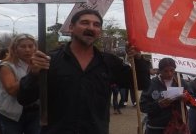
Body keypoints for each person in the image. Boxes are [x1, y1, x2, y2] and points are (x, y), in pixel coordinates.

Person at [17, 9, 145, 134]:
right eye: (85, 23)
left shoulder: (109, 62)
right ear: (71, 27)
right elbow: (24, 98)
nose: (91, 28)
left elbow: (142, 83)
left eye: (96, 25)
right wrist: (34, 74)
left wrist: (138, 59)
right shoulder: (50, 60)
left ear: (99, 32)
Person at [0, 34, 40, 134]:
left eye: (31, 46)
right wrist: (32, 74)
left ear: (35, 48)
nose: (27, 50)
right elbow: (12, 90)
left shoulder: (40, 64)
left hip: (35, 112)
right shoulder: (6, 66)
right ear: (15, 49)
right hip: (10, 113)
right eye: (23, 46)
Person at [140, 57, 189, 134]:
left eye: (172, 70)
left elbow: (192, 102)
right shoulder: (151, 84)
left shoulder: (181, 82)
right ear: (159, 71)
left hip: (177, 127)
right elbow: (143, 107)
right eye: (165, 71)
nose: (169, 74)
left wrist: (187, 99)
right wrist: (158, 104)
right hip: (156, 127)